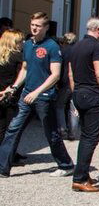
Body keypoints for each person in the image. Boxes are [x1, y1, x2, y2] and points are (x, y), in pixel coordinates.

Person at [0, 12, 74, 178]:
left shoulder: (52, 47)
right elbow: (25, 69)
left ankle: (66, 164)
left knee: (51, 133)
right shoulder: (27, 45)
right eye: (33, 24)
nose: (34, 28)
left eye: (38, 25)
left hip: (44, 97)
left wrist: (37, 92)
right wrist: (14, 87)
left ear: (46, 28)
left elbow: (55, 75)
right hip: (26, 95)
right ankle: (2, 168)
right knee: (13, 129)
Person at [68, 17, 99, 192]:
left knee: (85, 137)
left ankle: (82, 173)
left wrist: (75, 93)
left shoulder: (76, 46)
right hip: (92, 95)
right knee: (90, 139)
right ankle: (80, 178)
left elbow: (71, 74)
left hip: (79, 93)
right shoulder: (97, 47)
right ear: (98, 29)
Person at [0, 29, 25, 163]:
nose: (22, 43)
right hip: (12, 95)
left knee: (2, 126)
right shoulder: (18, 57)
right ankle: (7, 156)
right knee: (12, 128)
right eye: (20, 41)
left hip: (1, 94)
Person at [56, 32, 78, 140]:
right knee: (72, 108)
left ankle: (62, 129)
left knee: (60, 106)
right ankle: (73, 132)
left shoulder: (62, 51)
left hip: (64, 81)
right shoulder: (78, 51)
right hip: (77, 81)